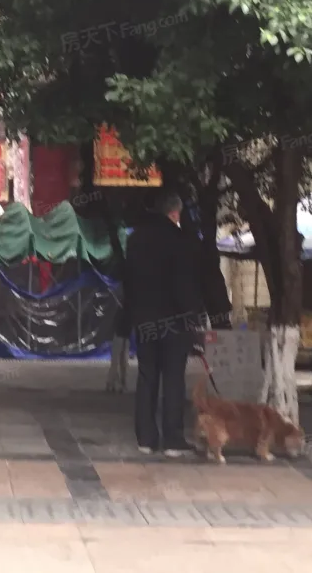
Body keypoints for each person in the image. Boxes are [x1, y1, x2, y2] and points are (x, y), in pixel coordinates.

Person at [124, 189, 205, 457]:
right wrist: (193, 319)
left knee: (147, 376)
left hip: (145, 321)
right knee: (173, 378)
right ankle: (173, 439)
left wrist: (130, 317)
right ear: (174, 213)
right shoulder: (179, 240)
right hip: (174, 322)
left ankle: (146, 439)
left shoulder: (135, 240)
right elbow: (184, 286)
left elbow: (128, 282)